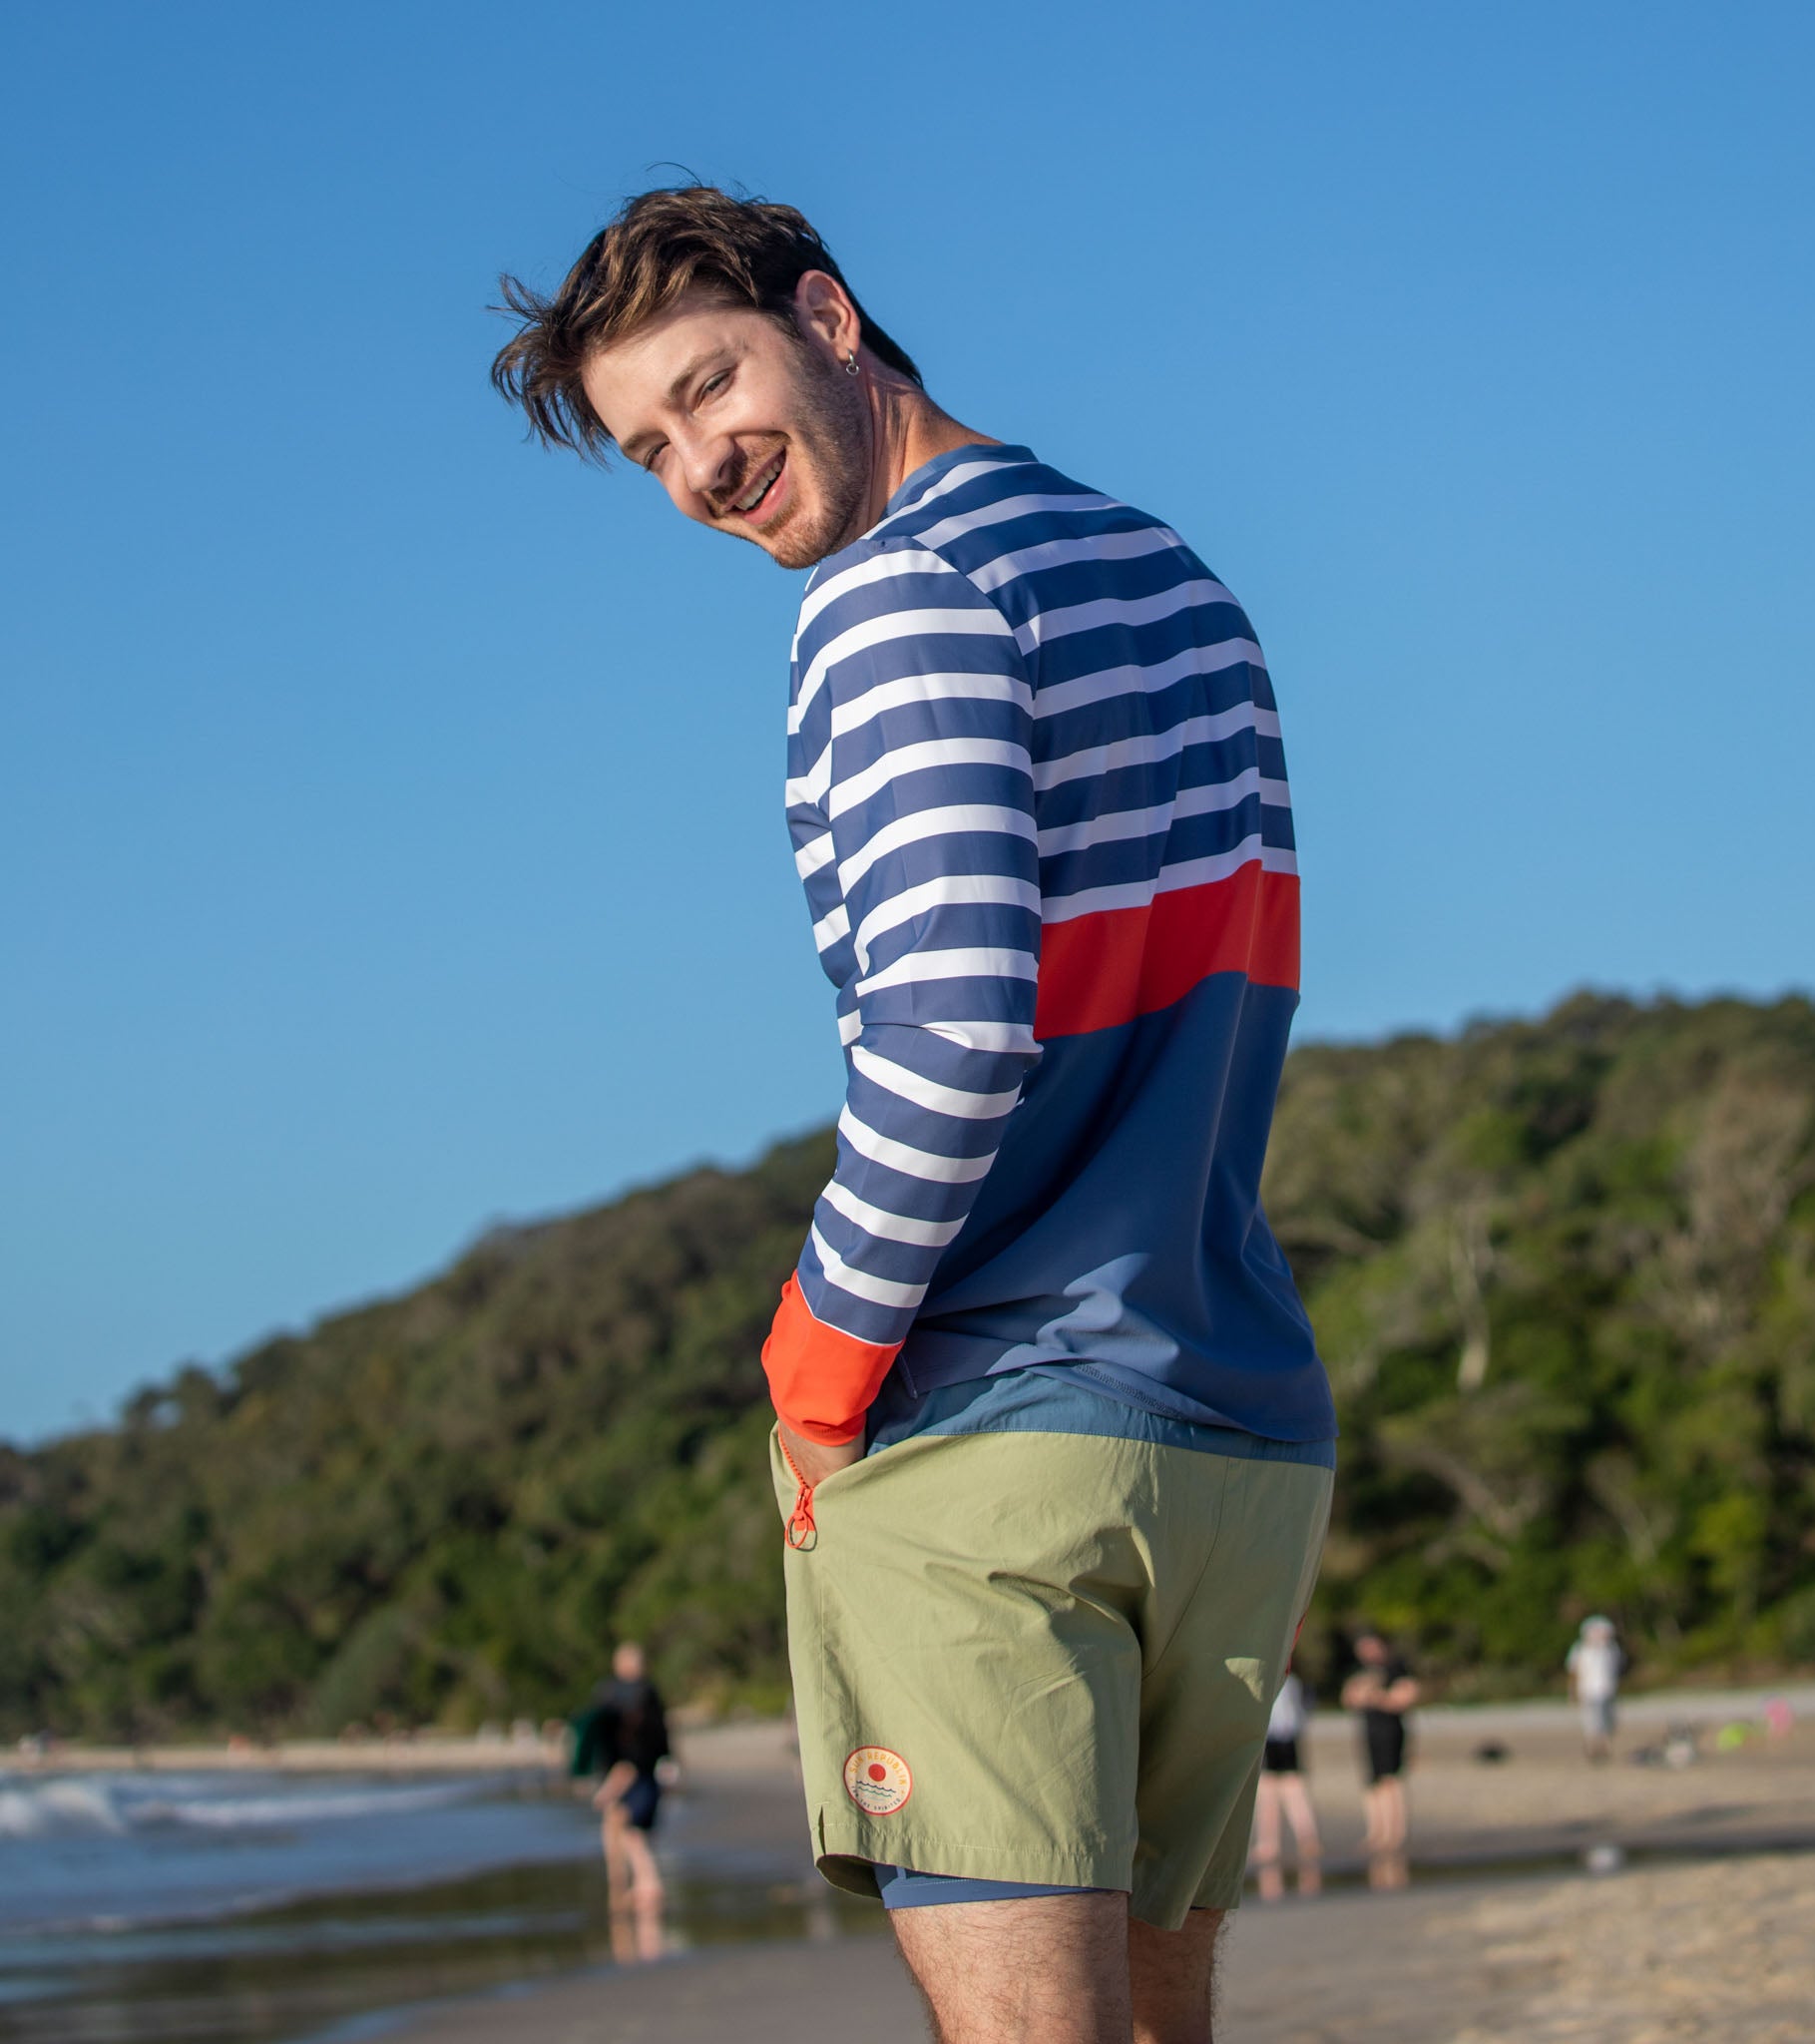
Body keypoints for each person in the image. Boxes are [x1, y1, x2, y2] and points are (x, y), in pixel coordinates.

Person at [493, 185, 1336, 2043]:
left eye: (711, 388)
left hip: (995, 1443)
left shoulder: (888, 598)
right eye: (647, 446)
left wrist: (814, 1359)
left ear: (832, 315)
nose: (698, 467)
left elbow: (954, 1027)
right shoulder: (1166, 571)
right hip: (1233, 1425)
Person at [585, 1642, 670, 1951]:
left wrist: (608, 1787)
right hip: (641, 1771)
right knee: (630, 1830)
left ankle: (645, 1883)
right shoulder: (644, 1695)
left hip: (635, 1772)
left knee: (632, 1832)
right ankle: (635, 1882)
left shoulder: (632, 1698)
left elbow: (632, 1757)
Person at [1340, 1627, 1418, 1874]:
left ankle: (1395, 1833)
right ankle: (1376, 1832)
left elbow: (1405, 1697)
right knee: (1372, 1782)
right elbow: (1349, 1698)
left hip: (1391, 1731)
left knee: (1391, 1780)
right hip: (1369, 1732)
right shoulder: (1360, 1672)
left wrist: (1374, 1697)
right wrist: (1362, 1695)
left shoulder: (1396, 1667)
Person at [1249, 1671, 1321, 1900]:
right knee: (1286, 1790)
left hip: (1275, 1736)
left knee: (1276, 1791)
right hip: (1286, 1736)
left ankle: (1276, 1842)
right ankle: (1300, 1838)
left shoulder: (1271, 1679)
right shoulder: (1294, 1681)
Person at [1567, 1615, 1624, 1763]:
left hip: (1607, 1690)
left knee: (1607, 1720)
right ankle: (1592, 1748)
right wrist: (1572, 1691)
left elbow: (1616, 1669)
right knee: (1591, 1721)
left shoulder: (1611, 1649)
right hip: (1587, 1691)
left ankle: (1606, 1748)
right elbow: (1574, 1671)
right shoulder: (1580, 1649)